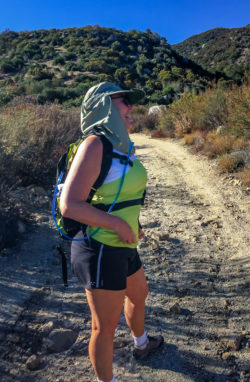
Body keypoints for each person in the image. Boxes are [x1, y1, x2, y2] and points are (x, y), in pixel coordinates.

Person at [59, 82, 162, 382]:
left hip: (122, 244)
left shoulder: (121, 147)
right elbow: (70, 204)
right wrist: (118, 224)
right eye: (123, 102)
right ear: (103, 106)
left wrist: (133, 223)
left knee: (139, 293)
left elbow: (115, 195)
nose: (130, 108)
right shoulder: (95, 145)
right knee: (103, 327)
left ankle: (141, 345)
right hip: (98, 248)